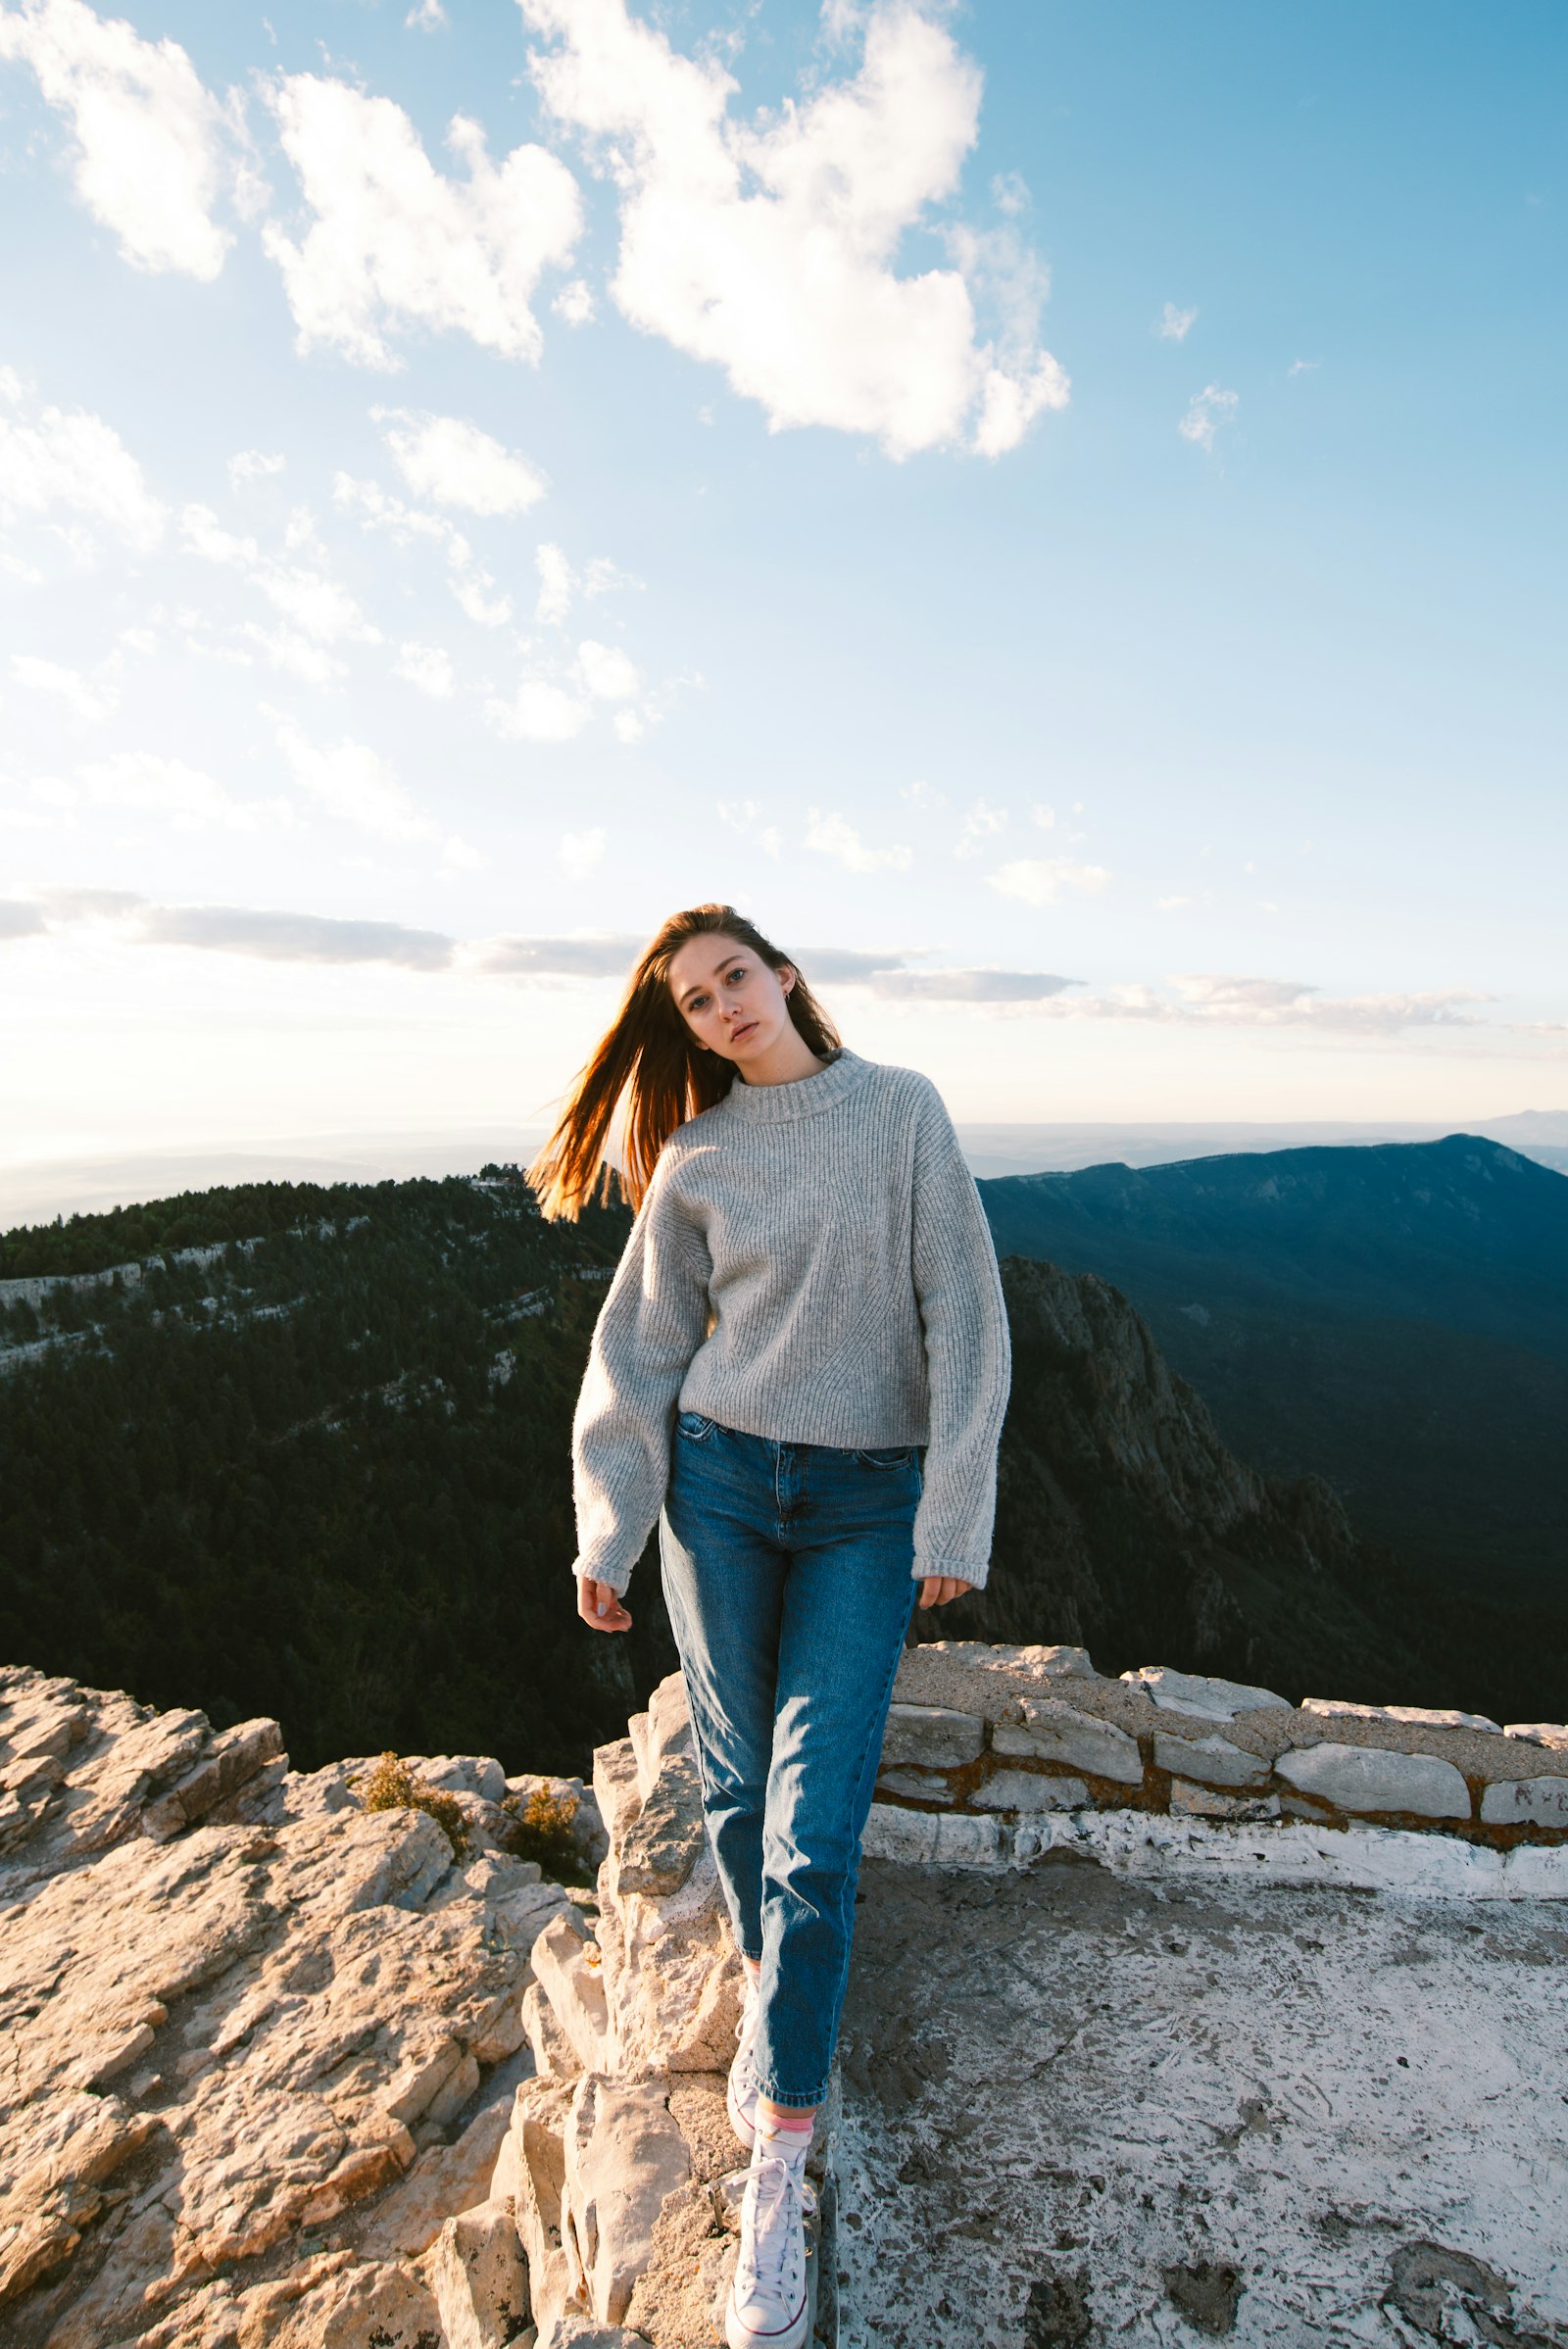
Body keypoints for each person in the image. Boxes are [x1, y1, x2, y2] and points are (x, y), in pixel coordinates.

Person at [527, 903, 1010, 2349]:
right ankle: (777, 2010)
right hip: (722, 1491)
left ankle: (782, 2153)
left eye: (733, 975)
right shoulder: (698, 1155)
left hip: (867, 1504)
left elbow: (967, 1313)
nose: (720, 1005)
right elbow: (641, 1348)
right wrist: (609, 1523)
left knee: (815, 1824)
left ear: (786, 974)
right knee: (738, 1793)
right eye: (691, 1000)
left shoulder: (902, 1113)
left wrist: (952, 1516)